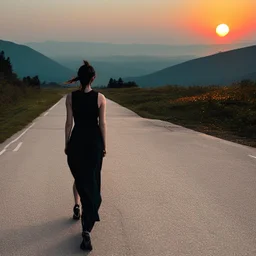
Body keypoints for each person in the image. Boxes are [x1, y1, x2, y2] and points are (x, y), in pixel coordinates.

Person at [64, 60, 107, 251]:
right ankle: (87, 227)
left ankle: (76, 205)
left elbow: (68, 124)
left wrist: (67, 145)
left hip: (77, 142)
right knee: (92, 180)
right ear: (93, 78)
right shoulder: (100, 98)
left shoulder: (70, 97)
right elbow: (102, 124)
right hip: (94, 144)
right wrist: (104, 145)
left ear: (79, 79)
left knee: (79, 177)